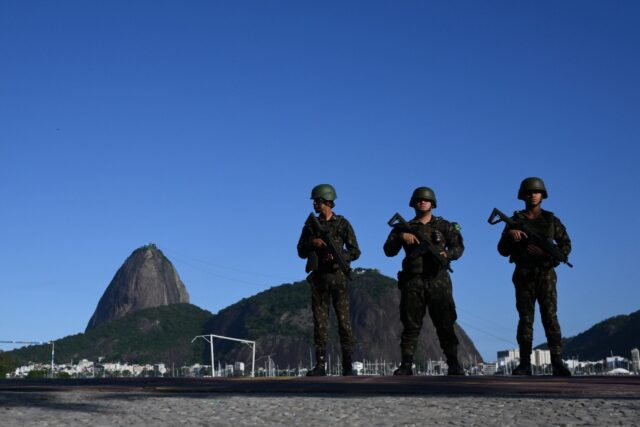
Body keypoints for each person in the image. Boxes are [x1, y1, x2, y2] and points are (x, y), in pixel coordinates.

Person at [384, 187, 465, 376]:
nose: (422, 202)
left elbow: (458, 247)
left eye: (426, 200)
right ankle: (406, 364)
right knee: (411, 325)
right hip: (413, 280)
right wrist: (400, 236)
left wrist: (447, 254)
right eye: (419, 200)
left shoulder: (444, 226)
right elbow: (388, 250)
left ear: (432, 204)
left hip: (438, 280)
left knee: (445, 323)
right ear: (413, 204)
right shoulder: (403, 227)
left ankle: (453, 363)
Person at [497, 177, 572, 376]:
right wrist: (509, 235)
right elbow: (502, 250)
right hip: (523, 274)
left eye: (536, 192)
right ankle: (524, 363)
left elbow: (565, 247)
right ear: (523, 195)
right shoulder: (516, 221)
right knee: (525, 319)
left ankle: (557, 361)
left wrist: (547, 253)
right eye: (529, 192)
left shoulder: (551, 220)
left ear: (542, 195)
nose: (532, 195)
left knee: (550, 317)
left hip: (546, 274)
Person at [297, 184, 361, 376]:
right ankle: (320, 365)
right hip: (319, 278)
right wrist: (313, 243)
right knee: (320, 322)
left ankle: (348, 364)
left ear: (326, 202)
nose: (314, 204)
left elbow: (355, 251)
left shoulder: (342, 224)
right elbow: (300, 250)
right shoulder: (310, 226)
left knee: (344, 321)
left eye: (316, 201)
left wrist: (340, 256)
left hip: (338, 277)